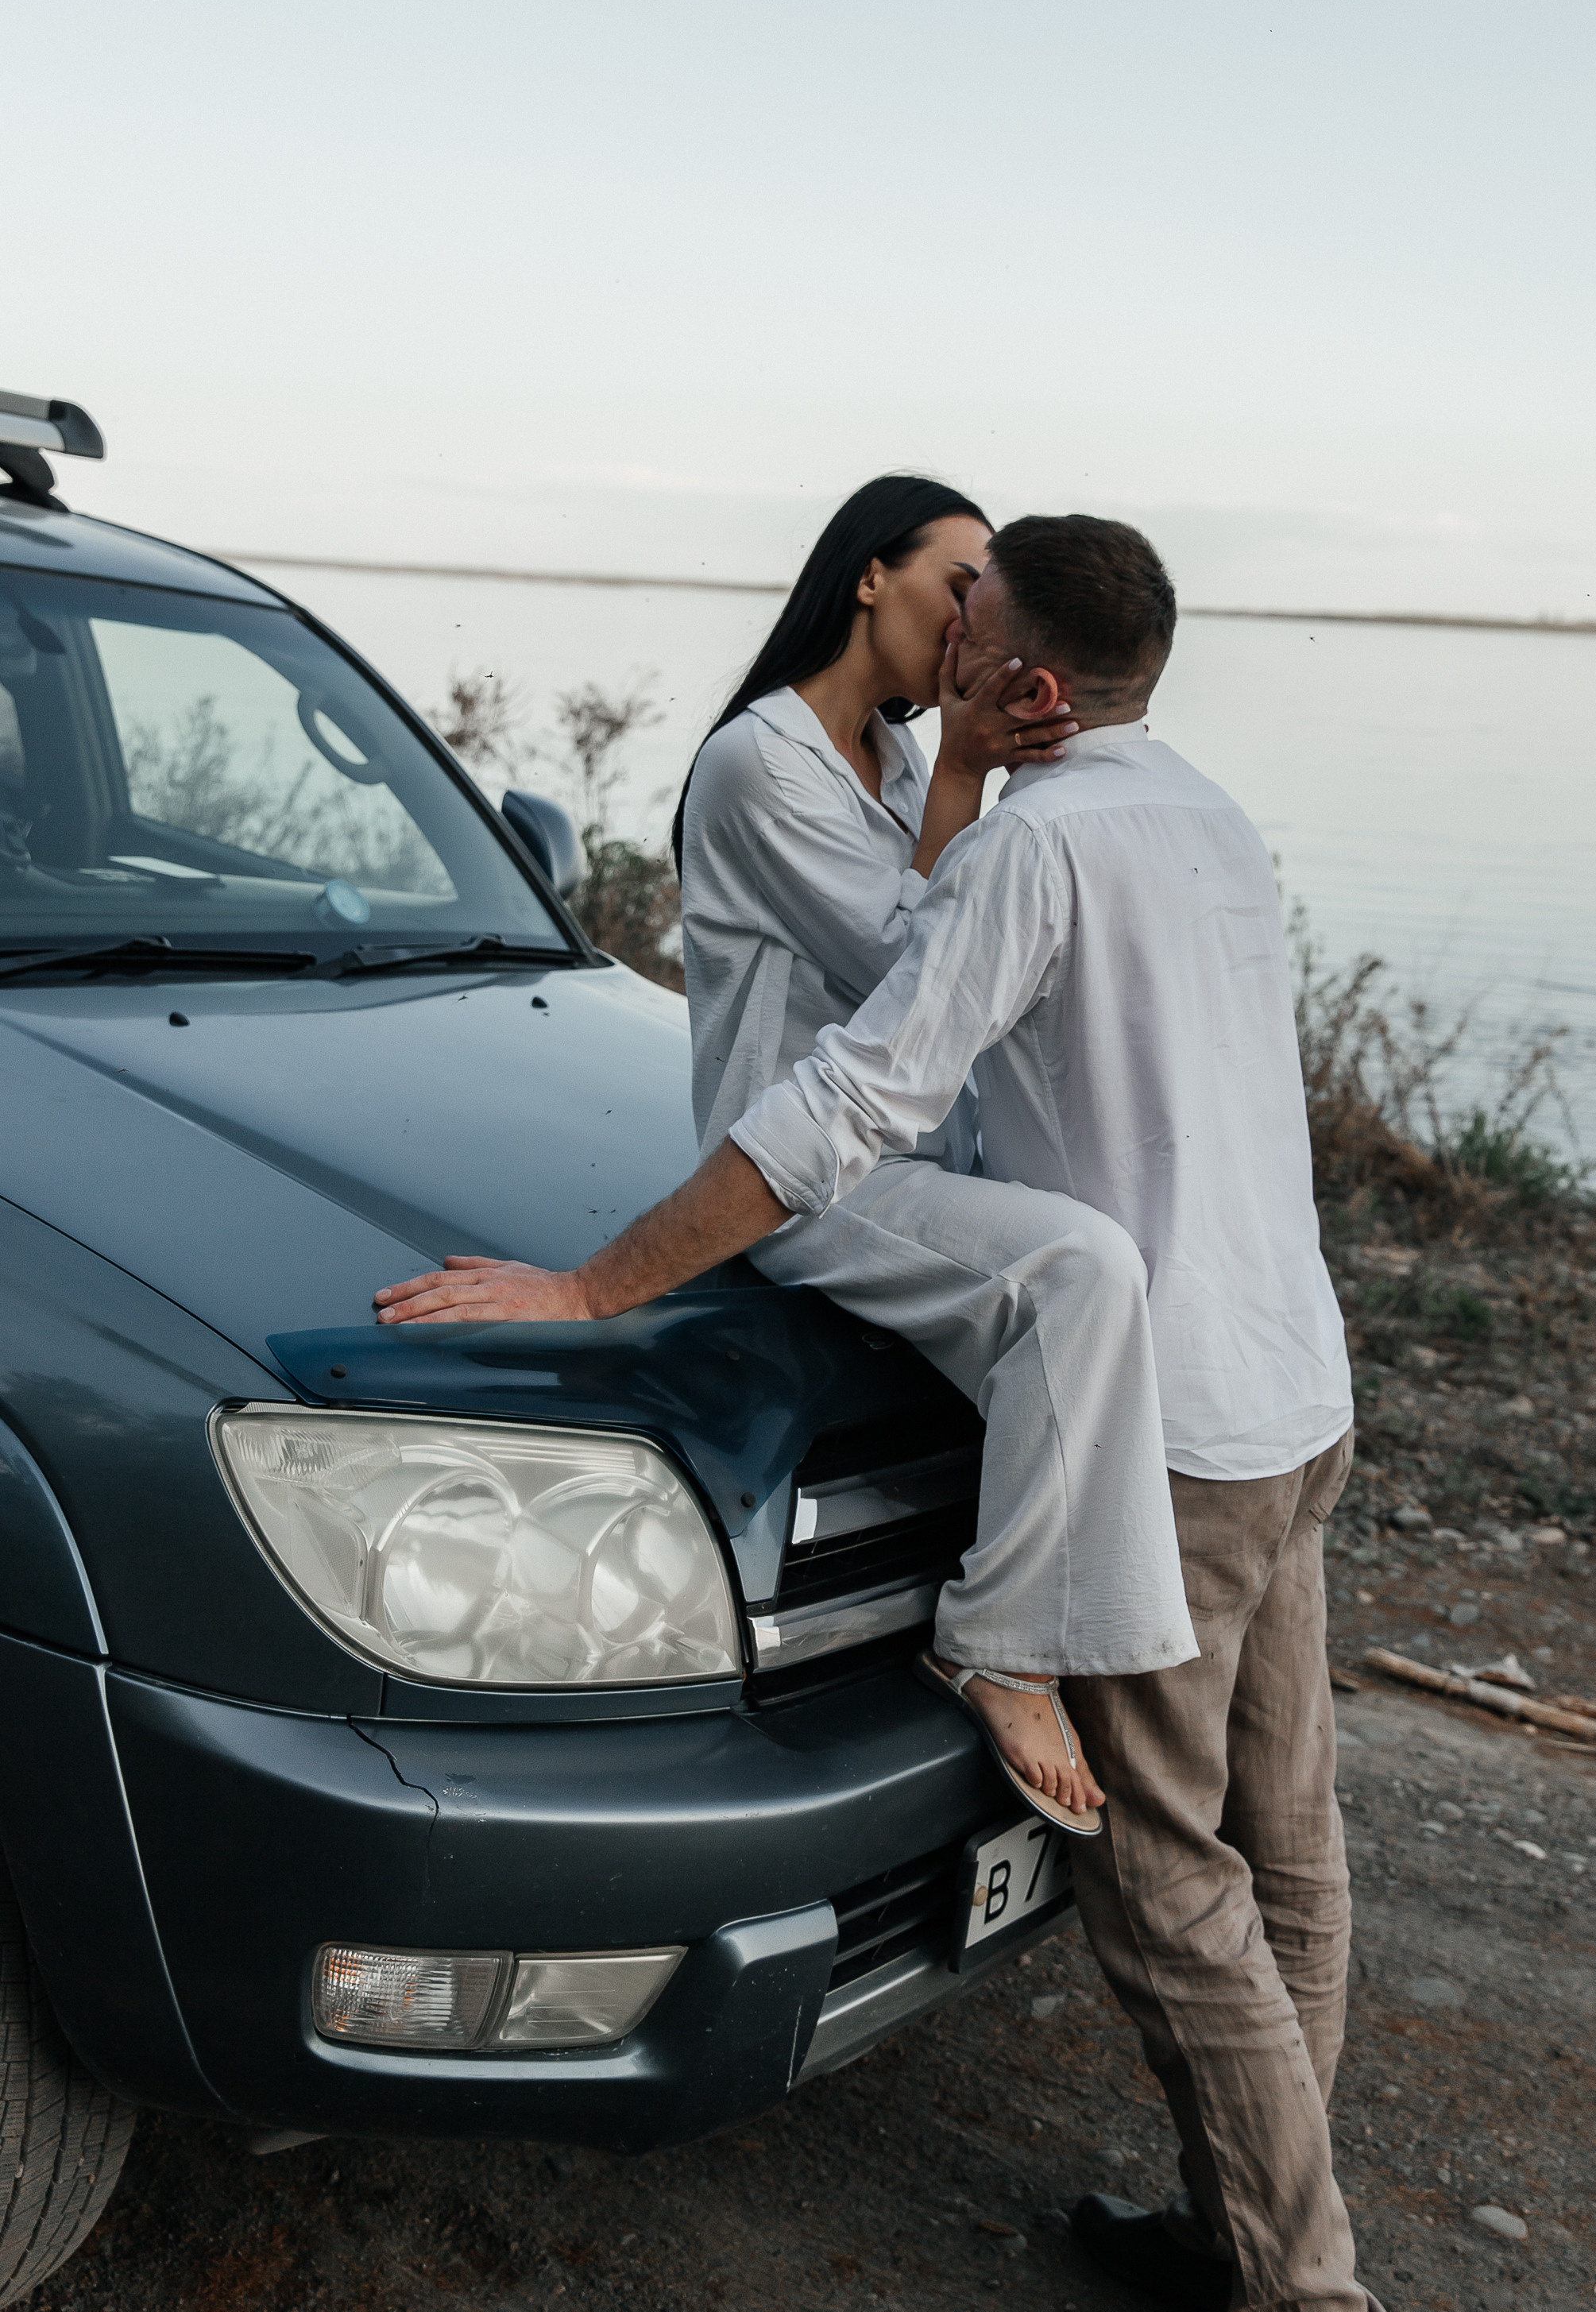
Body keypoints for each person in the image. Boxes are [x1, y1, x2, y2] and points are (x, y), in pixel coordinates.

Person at [376, 511, 1404, 2312]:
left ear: (1024, 680)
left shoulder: (1037, 840)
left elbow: (853, 1094)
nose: (952, 627)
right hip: (1300, 1392)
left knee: (1174, 1890)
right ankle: (1237, 2234)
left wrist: (599, 1285)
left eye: (978, 613)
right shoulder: (1211, 818)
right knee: (1295, 1848)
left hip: (1171, 1425)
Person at [381, 475, 1200, 1833]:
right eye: (958, 584)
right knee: (1082, 1274)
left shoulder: (888, 753)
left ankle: (1092, 1640)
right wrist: (963, 766)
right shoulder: (762, 761)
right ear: (869, 577)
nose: (972, 619)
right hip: (806, 1179)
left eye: (989, 600)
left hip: (924, 1164)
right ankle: (1001, 1643)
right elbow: (910, 971)